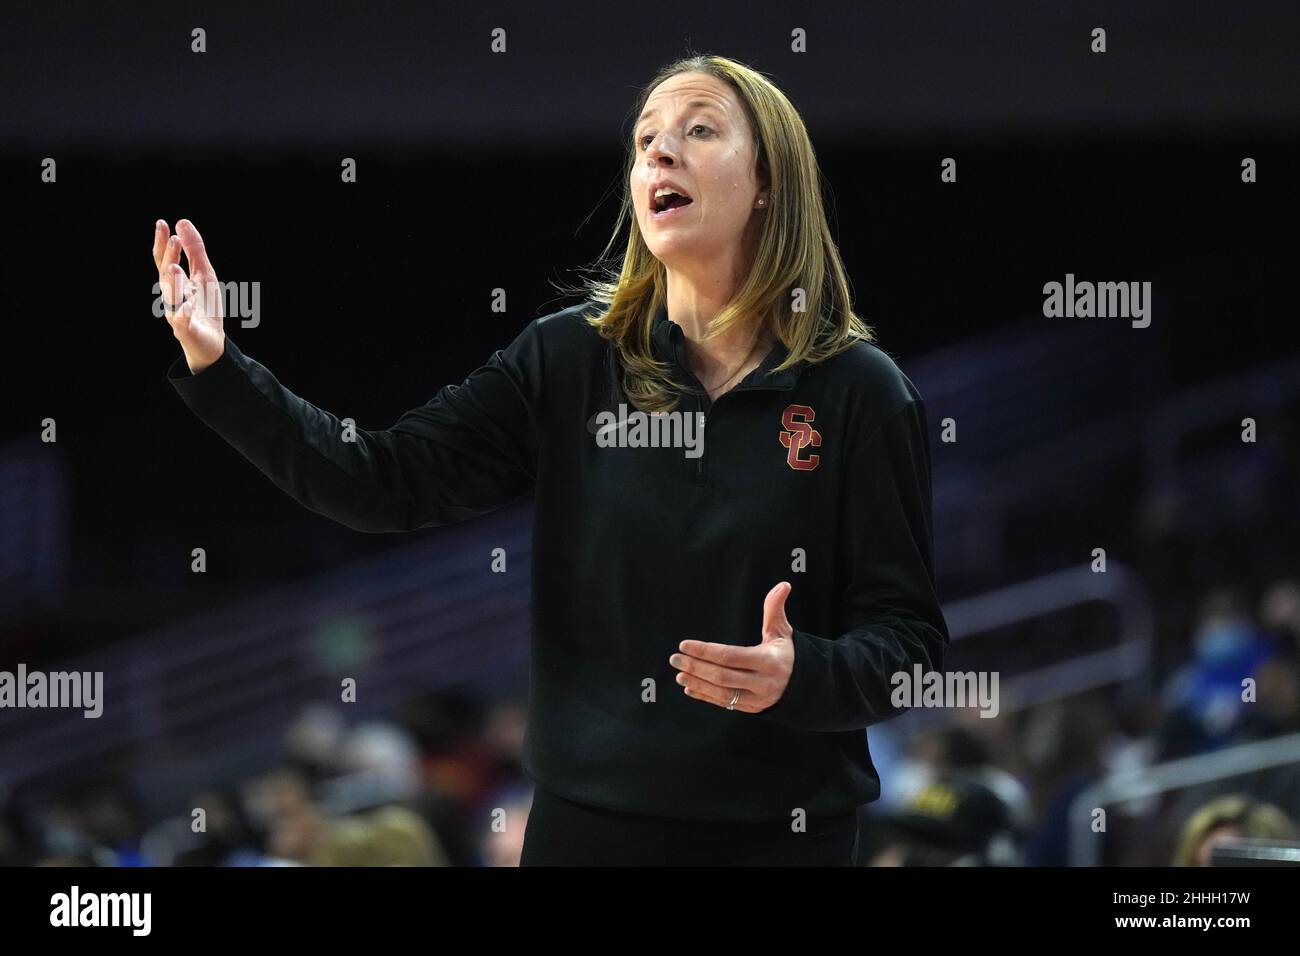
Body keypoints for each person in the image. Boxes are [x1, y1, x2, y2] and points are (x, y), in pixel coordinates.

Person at [154, 54, 948, 866]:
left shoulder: (860, 392)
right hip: (588, 832)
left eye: (699, 130)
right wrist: (225, 373)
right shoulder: (568, 359)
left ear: (770, 182)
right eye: (646, 141)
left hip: (786, 838)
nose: (660, 154)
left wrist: (804, 673)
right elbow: (381, 483)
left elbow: (909, 642)